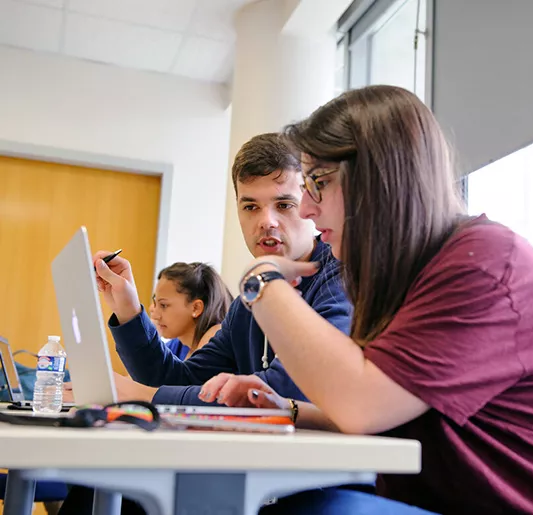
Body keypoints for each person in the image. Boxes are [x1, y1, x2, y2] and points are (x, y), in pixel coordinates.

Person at [198, 85, 533, 514]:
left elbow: (361, 407)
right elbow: (394, 410)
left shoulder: (485, 264)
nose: (308, 209)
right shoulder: (402, 275)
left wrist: (262, 278)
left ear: (379, 180)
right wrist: (289, 410)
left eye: (319, 184)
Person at [91, 132, 352, 405]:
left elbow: (291, 389)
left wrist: (146, 395)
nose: (267, 221)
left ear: (310, 205)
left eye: (284, 205)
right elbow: (177, 380)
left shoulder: (340, 282)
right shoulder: (246, 305)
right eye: (250, 206)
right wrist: (127, 310)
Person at [148, 261, 232, 360]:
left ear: (196, 308)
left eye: (163, 305)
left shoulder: (215, 339)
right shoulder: (177, 345)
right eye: (155, 302)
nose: (154, 313)